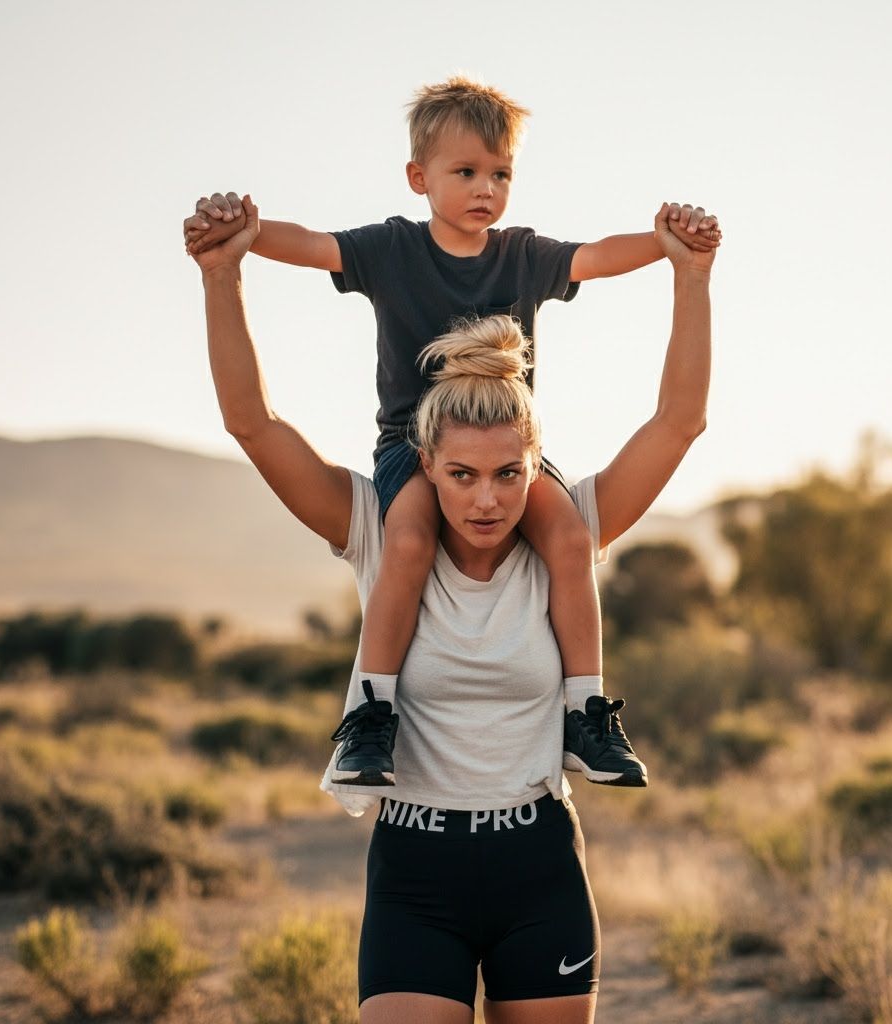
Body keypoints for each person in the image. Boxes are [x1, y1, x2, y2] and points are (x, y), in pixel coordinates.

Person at [193, 189, 716, 1023]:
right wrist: (224, 276)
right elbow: (253, 423)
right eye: (463, 475)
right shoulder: (375, 527)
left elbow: (680, 422)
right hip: (415, 871)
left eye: (509, 474)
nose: (486, 500)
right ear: (426, 464)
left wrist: (692, 278)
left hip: (539, 863)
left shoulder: (567, 535)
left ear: (535, 466)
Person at [183, 76, 720, 790]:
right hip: (407, 441)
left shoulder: (523, 255)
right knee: (407, 539)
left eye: (500, 174)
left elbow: (595, 257)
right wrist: (240, 243)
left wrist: (670, 250)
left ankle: (585, 712)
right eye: (465, 172)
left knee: (567, 537)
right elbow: (311, 247)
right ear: (419, 178)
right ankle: (371, 716)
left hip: (508, 437)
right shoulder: (391, 248)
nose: (485, 188)